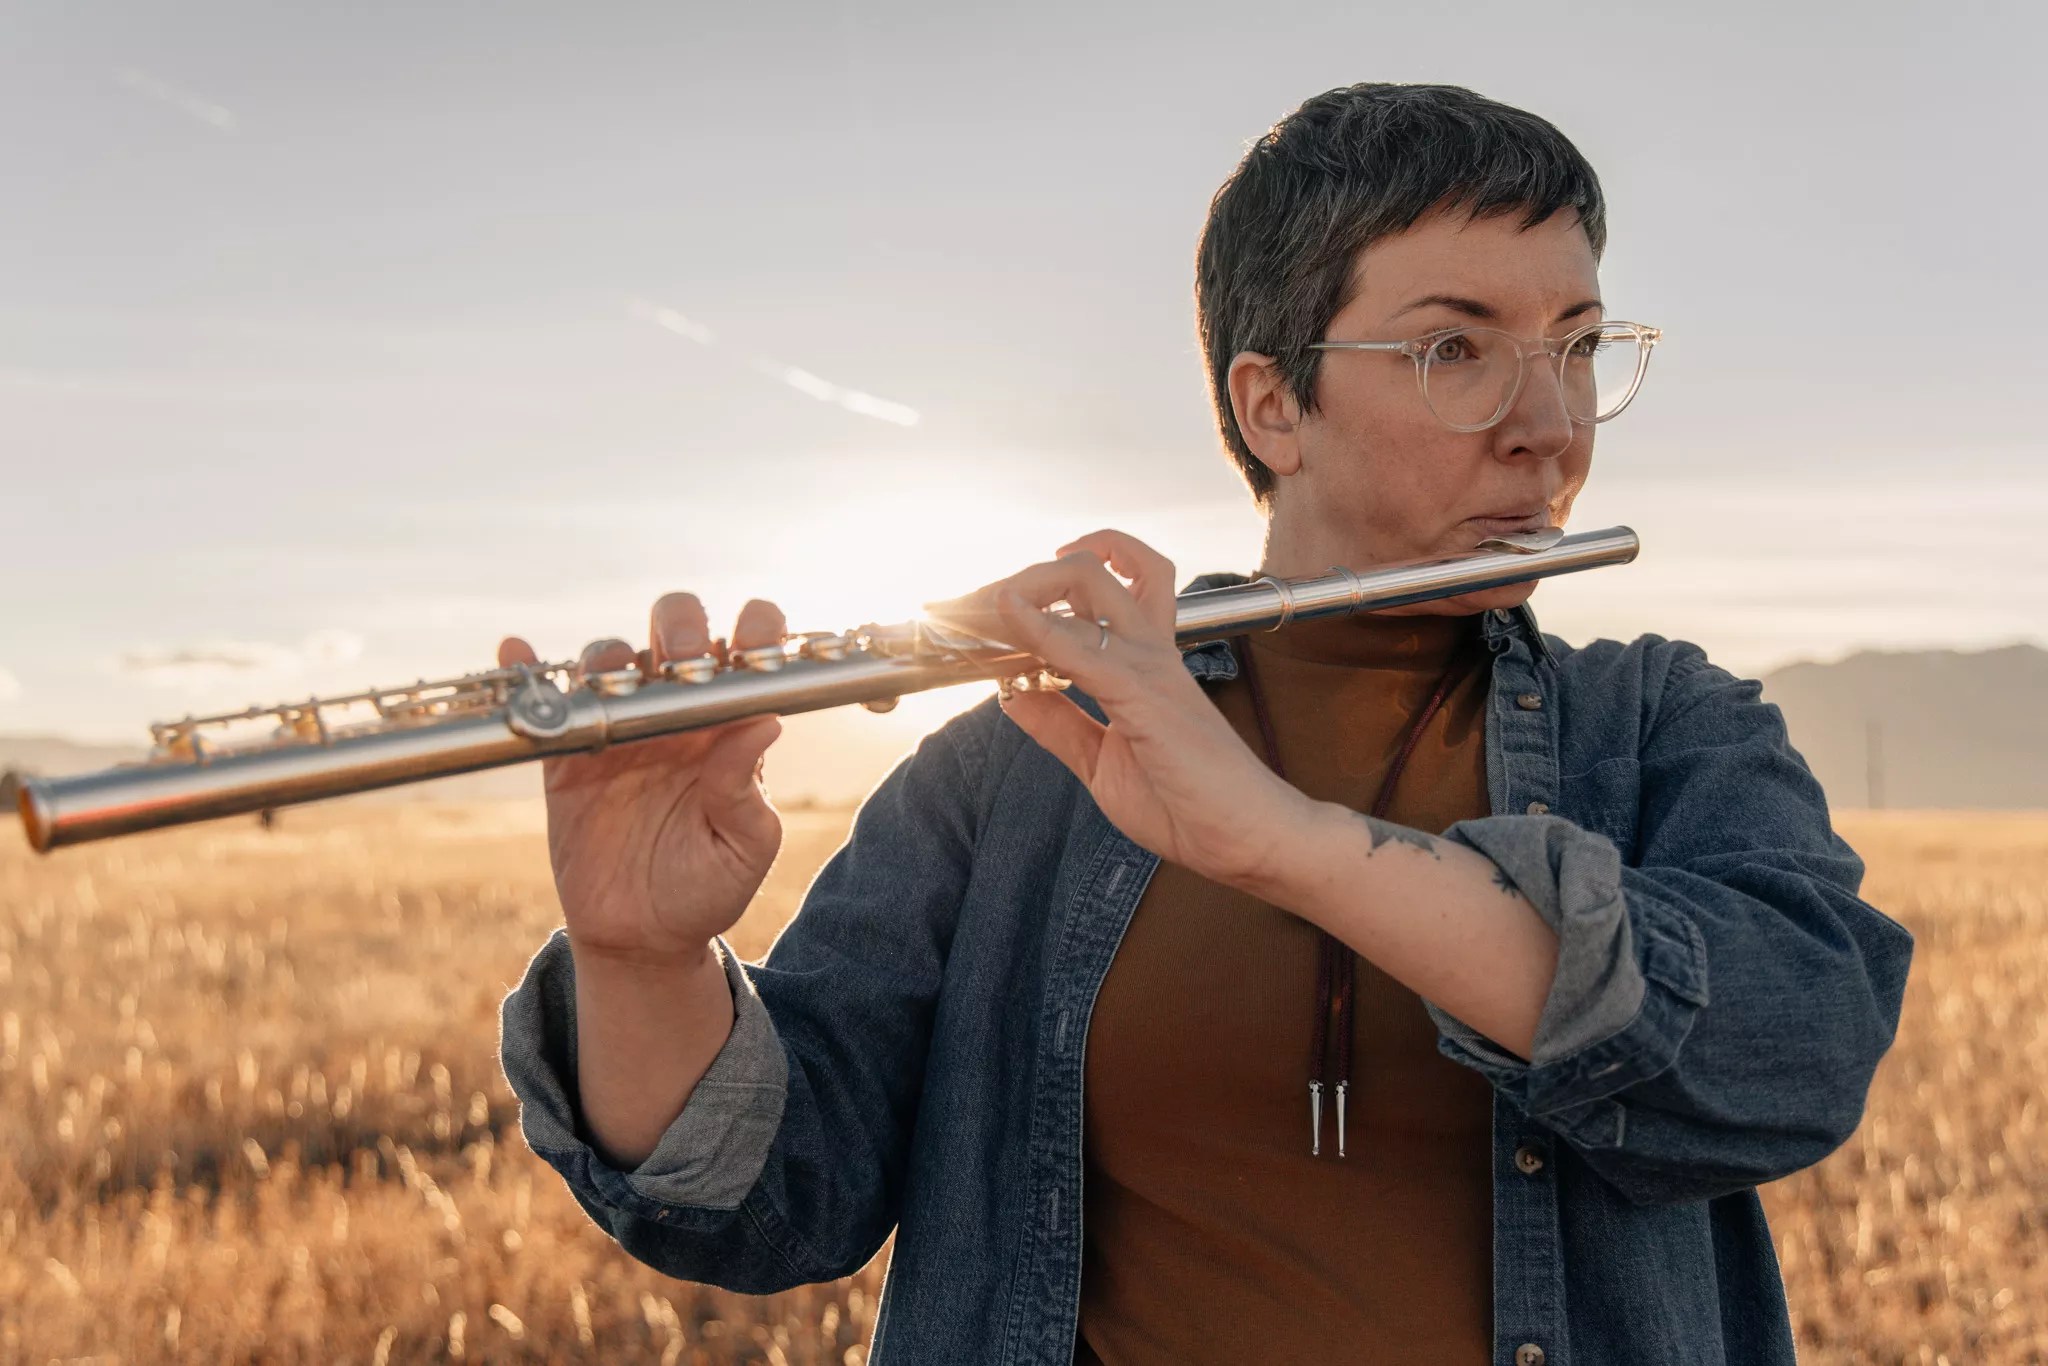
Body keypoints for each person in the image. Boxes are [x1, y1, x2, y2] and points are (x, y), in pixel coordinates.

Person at [496, 82, 1913, 1365]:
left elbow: (1793, 1053)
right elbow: (775, 1204)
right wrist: (641, 959)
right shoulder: (1018, 763)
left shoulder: (1663, 725)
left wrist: (1292, 846)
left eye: (1580, 345)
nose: (1552, 423)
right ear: (1273, 401)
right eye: (1457, 350)